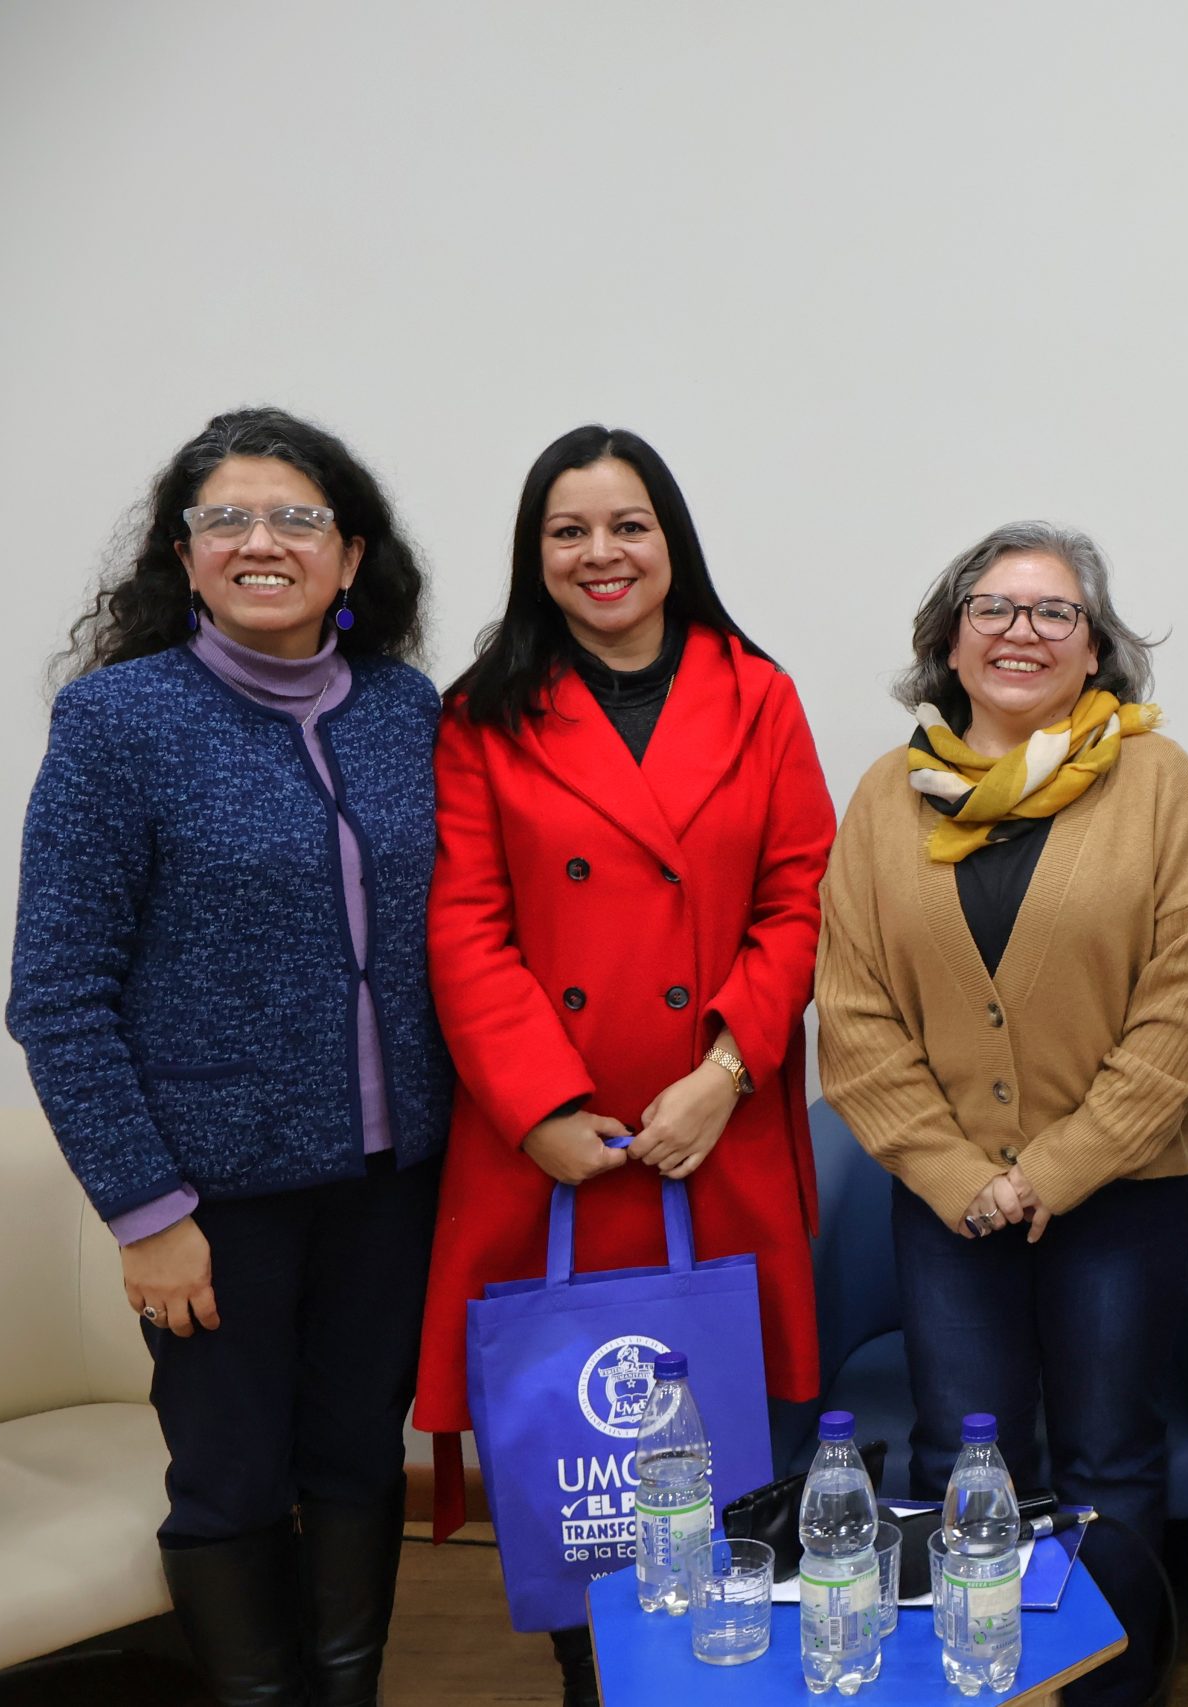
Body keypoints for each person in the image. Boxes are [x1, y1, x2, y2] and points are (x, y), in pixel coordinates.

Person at [7, 408, 453, 1707]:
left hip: (390, 1185)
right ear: (184, 555)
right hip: (211, 1204)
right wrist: (146, 1212)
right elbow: (58, 995)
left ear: (351, 554)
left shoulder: (404, 710)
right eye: (228, 519)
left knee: (358, 1458)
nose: (264, 541)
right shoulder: (118, 723)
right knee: (231, 1477)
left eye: (297, 516)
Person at [414, 426, 835, 1706]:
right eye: (569, 531)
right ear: (535, 554)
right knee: (580, 1466)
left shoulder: (758, 694)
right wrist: (540, 1108)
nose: (601, 554)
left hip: (716, 1124)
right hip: (555, 1140)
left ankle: (722, 1675)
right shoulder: (483, 713)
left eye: (627, 525)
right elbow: (464, 926)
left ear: (670, 540)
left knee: (730, 1440)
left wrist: (726, 1069)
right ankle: (590, 1680)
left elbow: (802, 896)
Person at [816, 521, 1188, 1707]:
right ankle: (971, 1685)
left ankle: (1110, 1691)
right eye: (992, 609)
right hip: (948, 1203)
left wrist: (1052, 1172)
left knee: (1111, 1457)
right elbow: (852, 1016)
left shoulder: (1160, 785)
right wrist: (963, 1179)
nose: (1022, 631)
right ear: (950, 643)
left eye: (1054, 611)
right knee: (962, 1452)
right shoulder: (886, 796)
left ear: (1094, 647)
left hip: (1124, 1195)